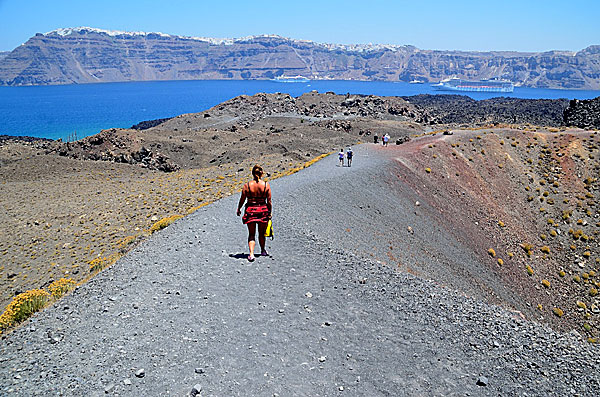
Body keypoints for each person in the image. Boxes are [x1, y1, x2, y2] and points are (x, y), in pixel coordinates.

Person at [236, 165, 272, 261]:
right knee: (261, 233)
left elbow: (242, 199)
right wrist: (270, 212)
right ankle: (263, 250)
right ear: (262, 173)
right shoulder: (266, 185)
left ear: (252, 173)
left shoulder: (247, 186)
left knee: (251, 234)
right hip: (262, 211)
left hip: (250, 211)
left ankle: (251, 254)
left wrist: (239, 208)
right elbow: (269, 202)